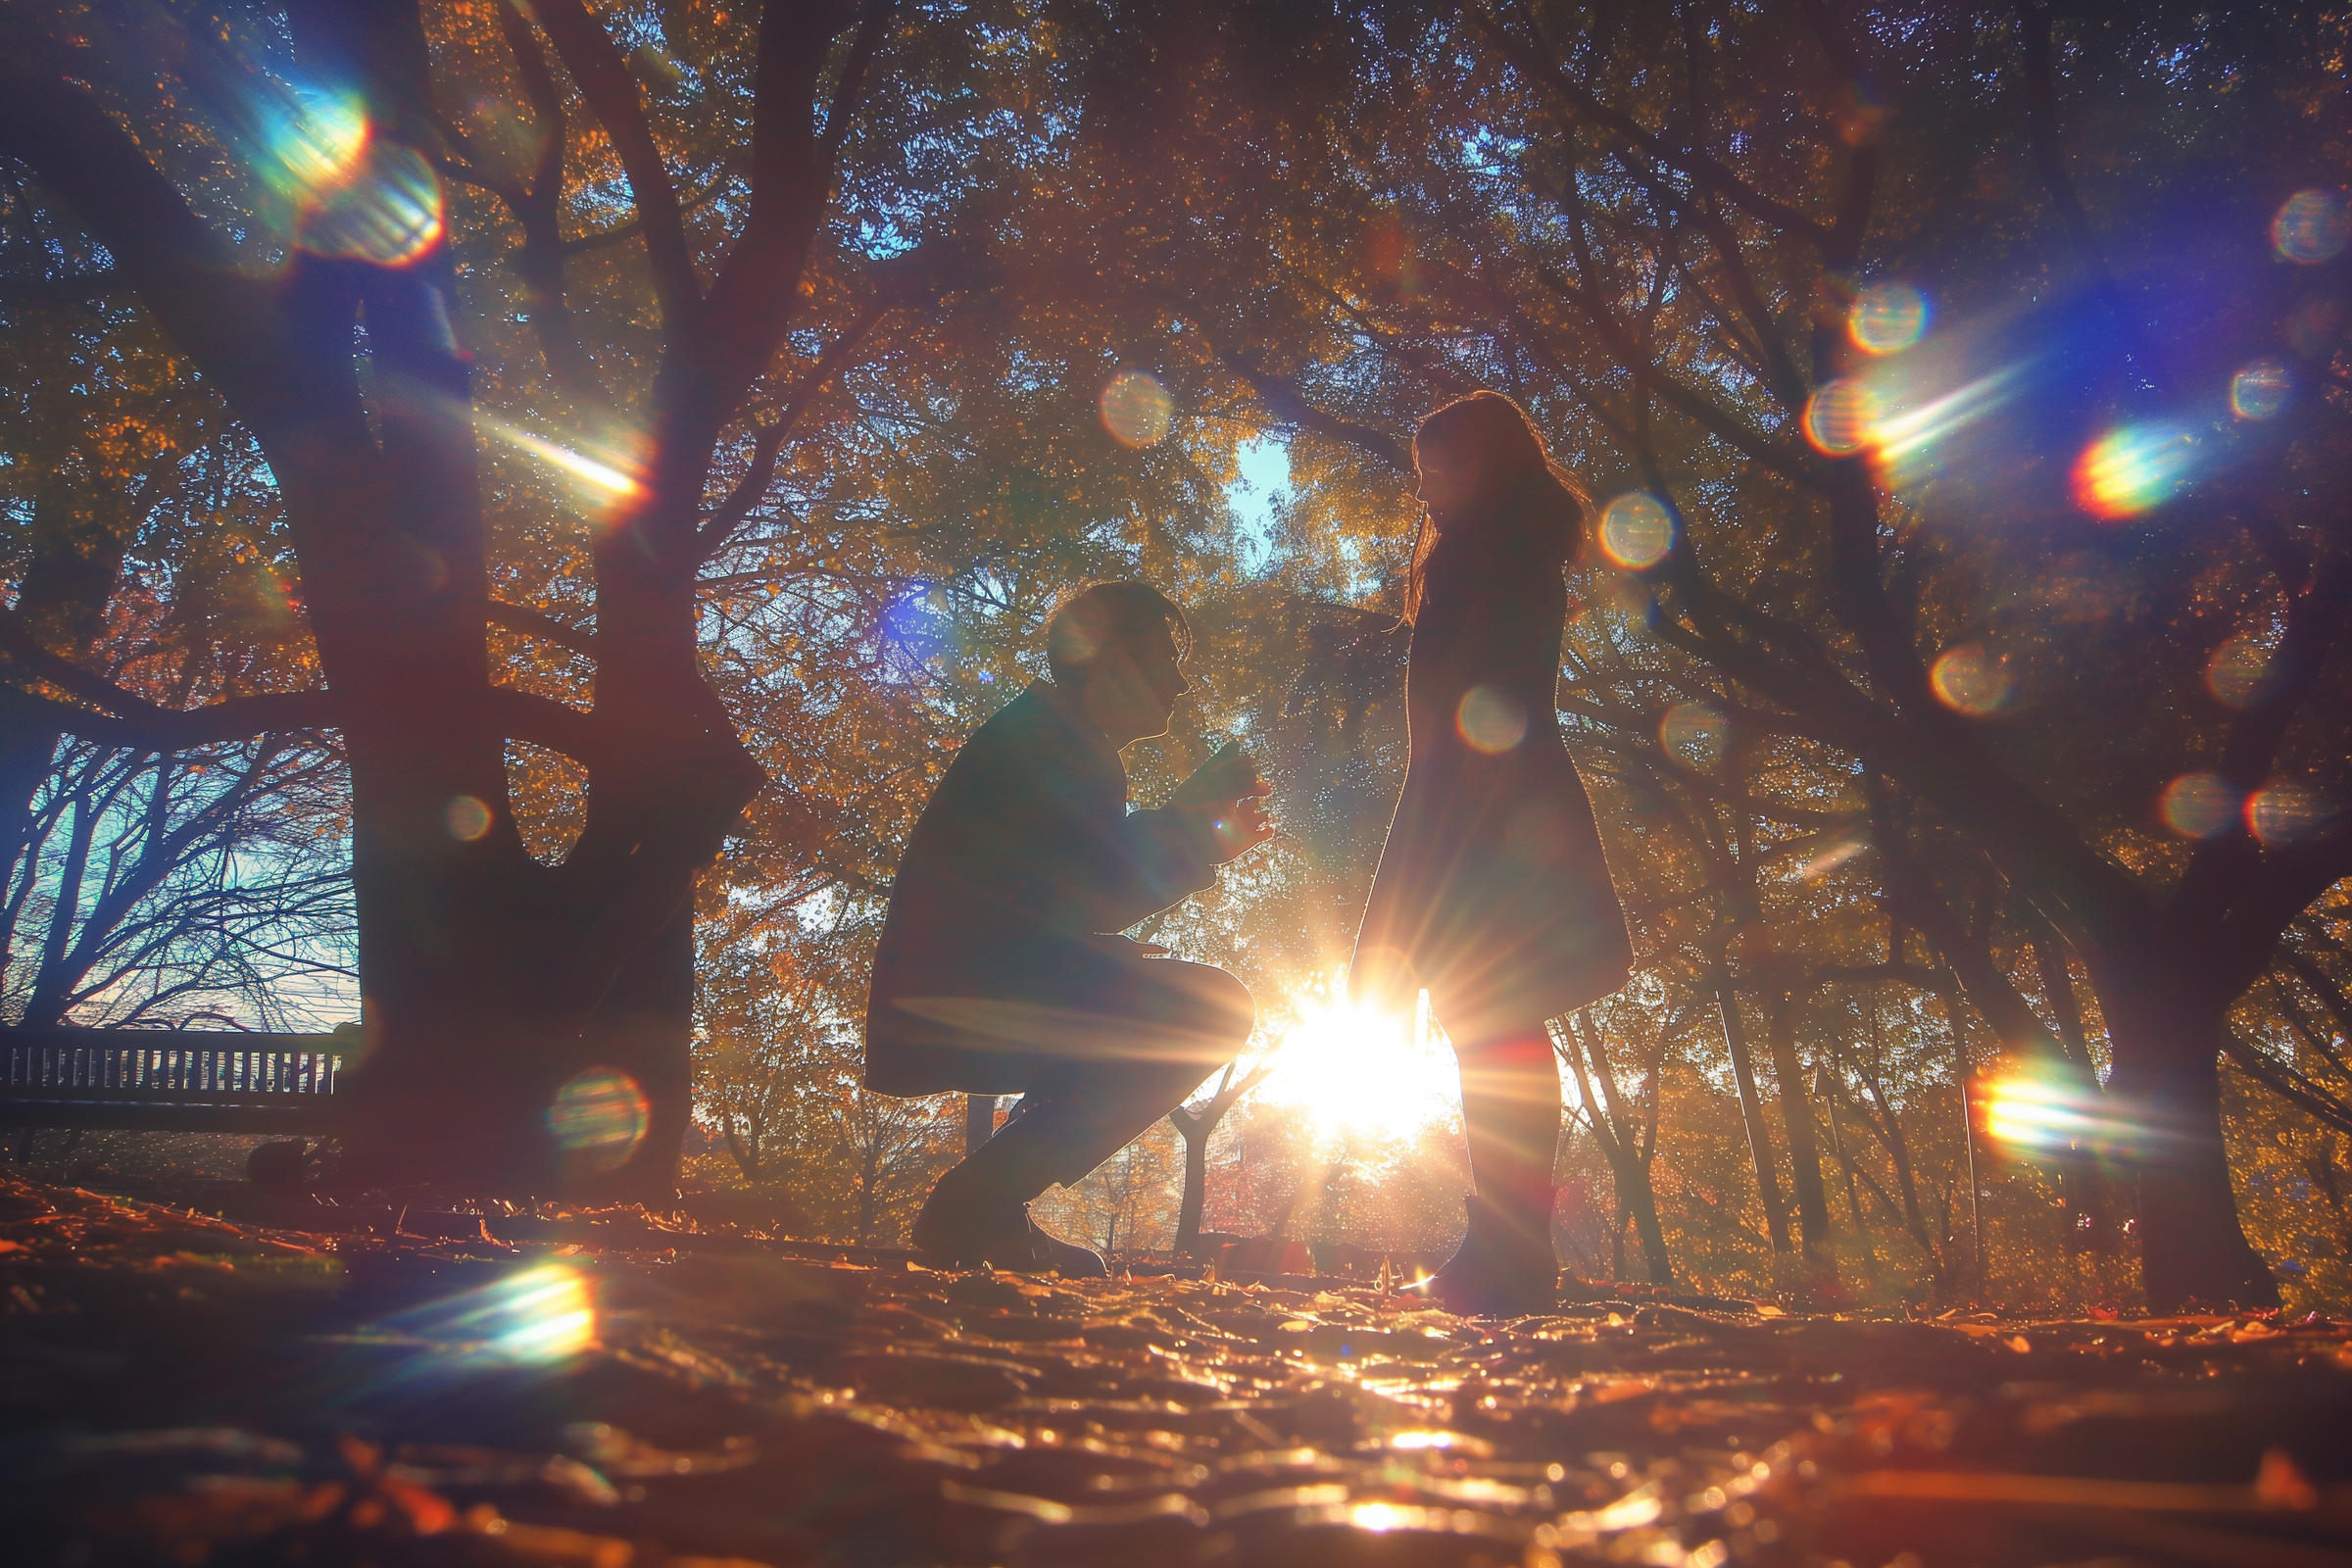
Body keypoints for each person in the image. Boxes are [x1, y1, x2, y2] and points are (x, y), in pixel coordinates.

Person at [865, 581, 1273, 1274]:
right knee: (1212, 1009)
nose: (1177, 684)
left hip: (946, 999)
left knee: (1183, 1006)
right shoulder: (1057, 749)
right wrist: (1191, 831)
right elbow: (1082, 888)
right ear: (1111, 663)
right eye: (1163, 661)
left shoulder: (1049, 739)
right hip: (954, 1006)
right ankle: (979, 1202)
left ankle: (989, 1208)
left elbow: (1032, 897)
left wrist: (1099, 942)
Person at [1350, 391, 1635, 1316]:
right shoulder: (1504, 557)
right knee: (1498, 1025)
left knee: (1492, 1025)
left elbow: (1462, 725)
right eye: (1422, 472)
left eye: (1444, 470)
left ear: (1490, 468)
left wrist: (1411, 886)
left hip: (1486, 815)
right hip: (1507, 811)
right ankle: (1509, 1248)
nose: (1426, 489)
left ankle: (1508, 1252)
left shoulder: (1484, 563)